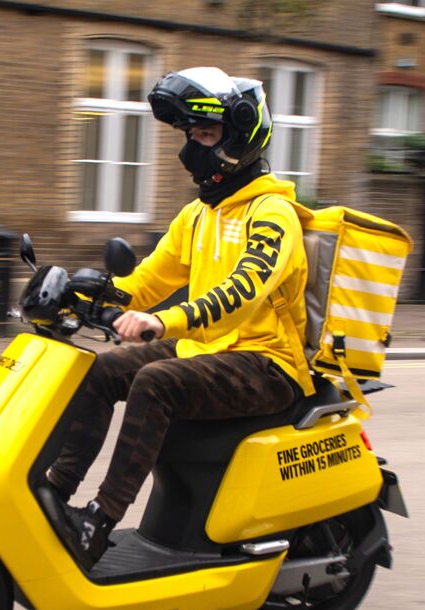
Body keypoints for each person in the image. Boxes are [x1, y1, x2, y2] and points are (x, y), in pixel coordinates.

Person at [46, 66, 314, 567]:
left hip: (266, 361)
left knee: (155, 382)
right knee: (103, 369)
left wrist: (162, 322)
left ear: (239, 137)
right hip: (212, 349)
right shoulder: (200, 213)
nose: (193, 148)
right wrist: (84, 296)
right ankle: (54, 495)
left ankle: (99, 522)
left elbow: (245, 290)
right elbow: (147, 281)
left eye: (207, 135)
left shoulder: (272, 215)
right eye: (192, 135)